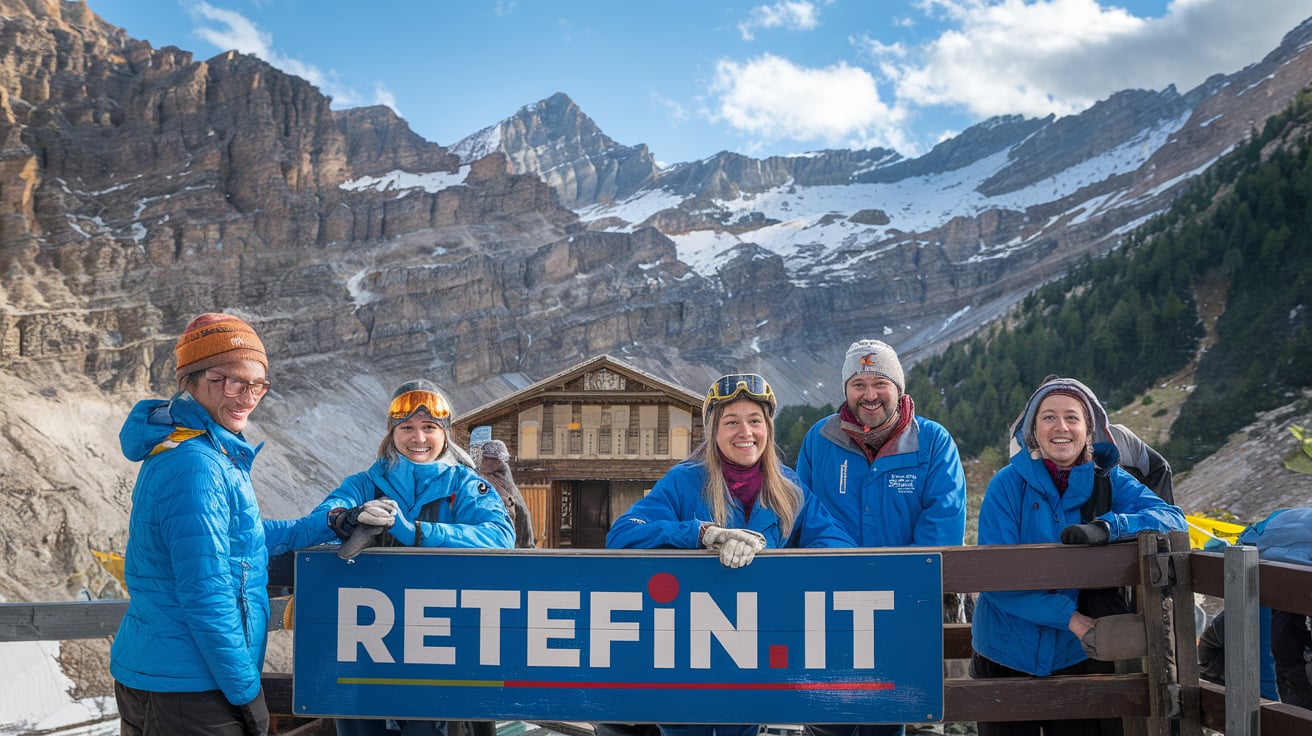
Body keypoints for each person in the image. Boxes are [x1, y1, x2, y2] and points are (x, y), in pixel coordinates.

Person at [110, 313, 391, 736]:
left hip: (172, 675)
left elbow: (243, 539)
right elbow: (206, 595)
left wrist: (330, 523)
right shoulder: (196, 465)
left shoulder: (204, 447)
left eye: (256, 385)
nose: (245, 397)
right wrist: (246, 694)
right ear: (191, 379)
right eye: (230, 381)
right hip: (191, 688)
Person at [607, 372, 856, 736]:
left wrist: (782, 564)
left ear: (768, 428)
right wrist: (702, 533)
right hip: (686, 654)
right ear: (714, 431)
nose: (746, 432)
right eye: (731, 422)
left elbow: (837, 544)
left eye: (755, 421)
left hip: (752, 650)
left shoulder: (789, 489)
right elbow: (624, 535)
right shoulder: (684, 480)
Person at [971, 376, 1187, 735]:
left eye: (1072, 417)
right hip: (1005, 651)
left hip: (1075, 656)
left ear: (1089, 429)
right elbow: (996, 581)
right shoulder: (1006, 485)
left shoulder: (1109, 479)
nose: (1061, 427)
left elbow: (1172, 519)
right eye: (1049, 417)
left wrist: (1108, 527)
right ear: (1032, 430)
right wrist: (1070, 618)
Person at [317, 379, 515, 736]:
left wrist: (419, 533)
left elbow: (500, 536)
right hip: (371, 641)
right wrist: (344, 518)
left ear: (445, 433)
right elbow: (327, 511)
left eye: (429, 428)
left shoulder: (467, 484)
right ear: (392, 434)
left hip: (446, 641)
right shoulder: (366, 482)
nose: (418, 438)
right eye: (406, 428)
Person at [795, 339, 968, 736]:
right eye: (858, 384)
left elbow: (942, 526)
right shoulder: (820, 440)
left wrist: (887, 587)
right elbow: (800, 517)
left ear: (899, 388)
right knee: (826, 722)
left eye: (880, 383)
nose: (869, 395)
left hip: (907, 609)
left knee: (895, 720)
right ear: (845, 390)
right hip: (831, 611)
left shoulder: (933, 441)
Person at [477, 439, 536, 548]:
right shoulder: (483, 476)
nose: (485, 461)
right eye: (485, 458)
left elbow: (522, 512)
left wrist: (527, 547)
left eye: (489, 458)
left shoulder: (501, 476)